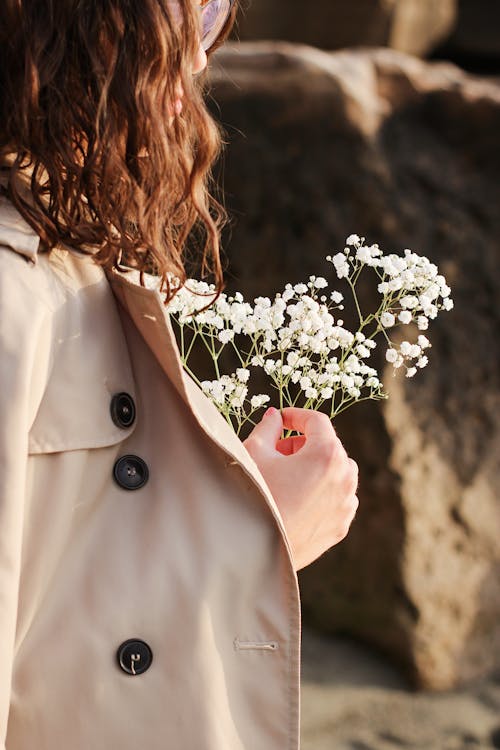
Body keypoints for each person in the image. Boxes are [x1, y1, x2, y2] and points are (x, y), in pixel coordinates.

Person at [0, 2, 359, 748]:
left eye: (217, 13)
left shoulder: (70, 234)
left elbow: (62, 606)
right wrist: (258, 537)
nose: (198, 61)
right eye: (187, 14)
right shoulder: (15, 289)